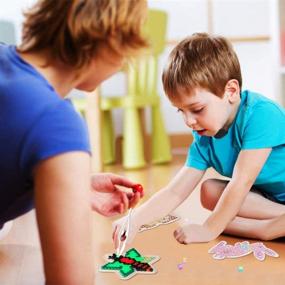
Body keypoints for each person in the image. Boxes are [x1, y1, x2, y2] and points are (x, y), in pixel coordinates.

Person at [0, 0, 148, 284]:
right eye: (128, 47)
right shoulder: (57, 122)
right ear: (110, 39)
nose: (124, 63)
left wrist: (73, 184)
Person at [113, 33, 285, 249]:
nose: (189, 121)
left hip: (261, 193)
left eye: (197, 109)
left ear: (230, 91)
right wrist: (134, 219)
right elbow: (175, 191)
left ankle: (264, 229)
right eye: (181, 111)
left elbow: (242, 182)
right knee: (209, 191)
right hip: (273, 200)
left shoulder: (261, 115)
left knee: (228, 202)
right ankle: (278, 222)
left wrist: (210, 228)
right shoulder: (205, 137)